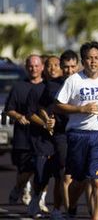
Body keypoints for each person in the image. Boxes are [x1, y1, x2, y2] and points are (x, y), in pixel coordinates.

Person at [55, 41, 98, 220]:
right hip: (77, 134)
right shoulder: (74, 80)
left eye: (96, 58)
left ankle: (96, 217)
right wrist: (81, 109)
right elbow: (58, 105)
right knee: (77, 180)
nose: (92, 62)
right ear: (83, 61)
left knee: (97, 180)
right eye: (88, 58)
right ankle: (70, 208)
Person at [26, 55, 62, 217]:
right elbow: (30, 113)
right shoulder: (37, 89)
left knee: (60, 175)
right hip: (41, 139)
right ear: (44, 69)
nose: (53, 68)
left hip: (60, 137)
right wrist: (45, 123)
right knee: (41, 173)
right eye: (49, 65)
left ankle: (57, 208)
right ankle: (35, 200)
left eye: (56, 65)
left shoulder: (66, 86)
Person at [6, 55, 44, 207]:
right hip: (24, 136)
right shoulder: (18, 87)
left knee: (42, 170)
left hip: (42, 137)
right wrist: (18, 116)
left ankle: (38, 200)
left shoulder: (47, 86)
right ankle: (18, 188)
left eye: (36, 66)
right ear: (26, 67)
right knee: (26, 170)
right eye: (30, 66)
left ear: (42, 67)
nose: (33, 69)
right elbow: (9, 109)